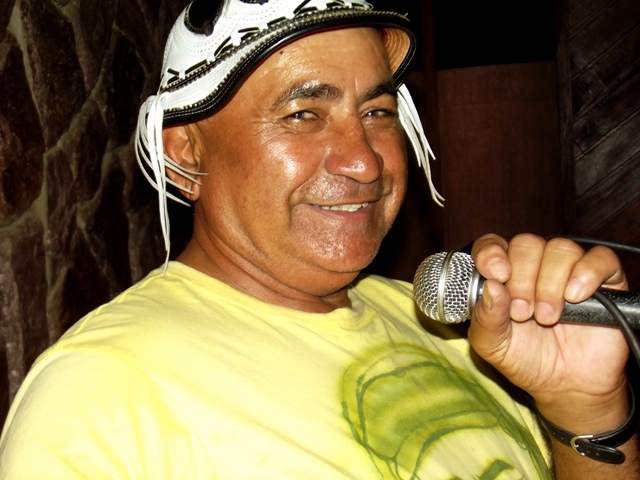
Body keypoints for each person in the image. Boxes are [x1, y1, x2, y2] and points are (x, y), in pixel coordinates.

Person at [0, 0, 637, 478]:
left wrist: (582, 409)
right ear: (185, 154)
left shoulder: (453, 322)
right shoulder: (100, 393)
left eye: (377, 111)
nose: (365, 160)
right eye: (303, 114)